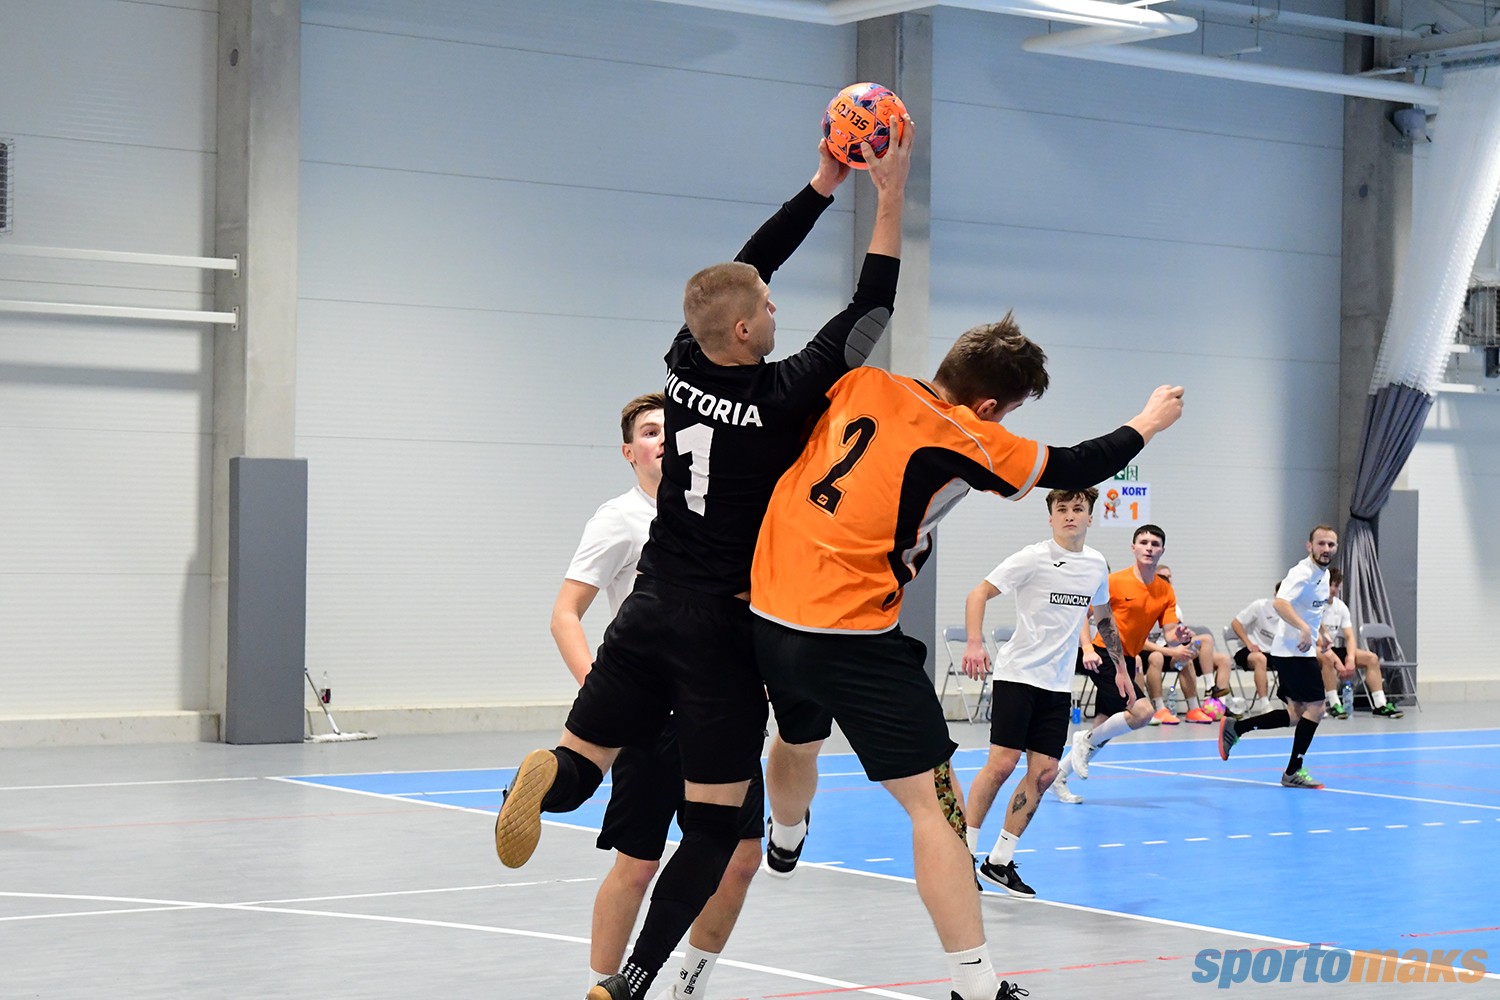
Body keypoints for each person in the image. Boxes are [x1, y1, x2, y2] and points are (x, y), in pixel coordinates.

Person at [495, 122, 916, 1000]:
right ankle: (632, 981)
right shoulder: (781, 394)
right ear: (745, 328)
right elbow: (871, 309)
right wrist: (889, 194)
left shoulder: (683, 363)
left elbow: (744, 268)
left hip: (647, 607)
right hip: (719, 631)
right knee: (717, 830)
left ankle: (547, 777)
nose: (777, 311)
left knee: (585, 760)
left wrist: (822, 182)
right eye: (768, 309)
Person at [750, 316, 1184, 1000]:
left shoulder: (863, 383)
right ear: (987, 405)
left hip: (770, 615)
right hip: (854, 636)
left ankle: (784, 834)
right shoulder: (963, 433)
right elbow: (1072, 465)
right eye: (1007, 412)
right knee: (939, 808)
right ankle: (976, 985)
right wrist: (1148, 422)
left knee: (797, 736)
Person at [550, 393, 763, 999]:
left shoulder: (723, 511)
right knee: (638, 862)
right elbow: (565, 614)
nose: (664, 439)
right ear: (629, 452)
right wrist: (606, 696)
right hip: (652, 716)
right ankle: (602, 987)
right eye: (649, 432)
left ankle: (687, 988)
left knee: (740, 858)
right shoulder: (619, 519)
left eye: (673, 428)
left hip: (721, 710)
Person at [959, 487, 1131, 900]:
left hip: (1057, 685)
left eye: (1078, 509)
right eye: (1062, 509)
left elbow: (1104, 618)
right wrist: (974, 643)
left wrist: (1122, 669)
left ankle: (999, 861)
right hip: (1018, 675)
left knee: (1045, 773)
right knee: (1002, 765)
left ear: (1090, 517)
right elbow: (978, 592)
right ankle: (961, 855)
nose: (1070, 515)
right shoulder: (1032, 557)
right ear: (1051, 517)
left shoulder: (1096, 565)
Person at [1051, 523, 1194, 804]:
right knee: (1142, 712)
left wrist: (1179, 637)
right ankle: (1083, 739)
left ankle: (1059, 775)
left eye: (1155, 544)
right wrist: (1087, 648)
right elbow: (1082, 615)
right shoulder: (1114, 581)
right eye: (1144, 542)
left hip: (1127, 660)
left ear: (1162, 550)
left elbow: (1169, 633)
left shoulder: (1165, 590)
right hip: (1102, 655)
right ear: (1133, 548)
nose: (1149, 548)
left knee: (1104, 728)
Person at [1218, 525, 1339, 788]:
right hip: (1293, 653)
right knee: (1317, 708)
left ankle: (1237, 728)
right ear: (1309, 546)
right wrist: (1303, 628)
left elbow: (1311, 610)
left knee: (1295, 714)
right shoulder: (1301, 572)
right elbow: (1280, 603)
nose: (1326, 549)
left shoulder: (1324, 573)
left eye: (1331, 544)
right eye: (1321, 543)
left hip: (1299, 651)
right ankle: (1293, 771)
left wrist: (1321, 633)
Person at [1140, 565, 1235, 723]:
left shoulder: (1174, 608)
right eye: (1162, 578)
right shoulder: (1143, 606)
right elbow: (1141, 642)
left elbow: (1172, 637)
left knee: (1192, 653)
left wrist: (1185, 638)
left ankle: (1201, 700)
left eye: (1168, 578)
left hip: (1168, 650)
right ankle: (1159, 708)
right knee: (1157, 657)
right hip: (1147, 651)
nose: (1166, 581)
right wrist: (1173, 651)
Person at [1319, 567, 1404, 719]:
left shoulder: (1341, 607)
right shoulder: (1315, 606)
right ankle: (1334, 704)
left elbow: (1350, 637)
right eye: (1329, 585)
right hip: (1315, 649)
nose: (1333, 589)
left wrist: (1351, 659)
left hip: (1332, 648)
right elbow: (1317, 638)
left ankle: (1380, 704)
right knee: (1328, 658)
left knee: (1372, 658)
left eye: (1336, 585)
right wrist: (1337, 661)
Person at [1228, 585, 1279, 715]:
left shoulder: (1292, 613)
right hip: (1248, 650)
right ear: (1275, 595)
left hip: (1272, 653)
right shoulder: (1260, 606)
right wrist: (1249, 643)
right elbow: (1236, 623)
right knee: (1260, 659)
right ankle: (1264, 704)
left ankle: (1297, 702)